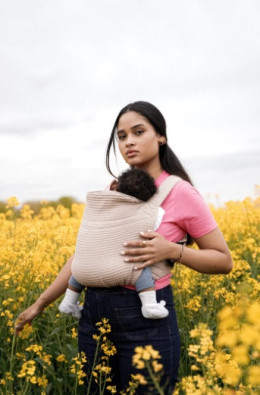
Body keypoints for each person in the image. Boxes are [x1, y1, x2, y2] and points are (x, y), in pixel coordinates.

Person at [15, 101, 233, 394]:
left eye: (138, 132)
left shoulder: (181, 192)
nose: (128, 141)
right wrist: (40, 303)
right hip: (94, 315)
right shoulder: (113, 189)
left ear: (161, 136)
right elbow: (85, 257)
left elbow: (223, 260)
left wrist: (172, 251)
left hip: (146, 320)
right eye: (121, 136)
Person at [58, 167, 169, 320]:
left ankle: (68, 302)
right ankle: (149, 305)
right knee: (142, 269)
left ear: (113, 185)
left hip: (82, 271)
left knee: (82, 264)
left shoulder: (95, 205)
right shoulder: (149, 212)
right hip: (119, 271)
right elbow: (157, 220)